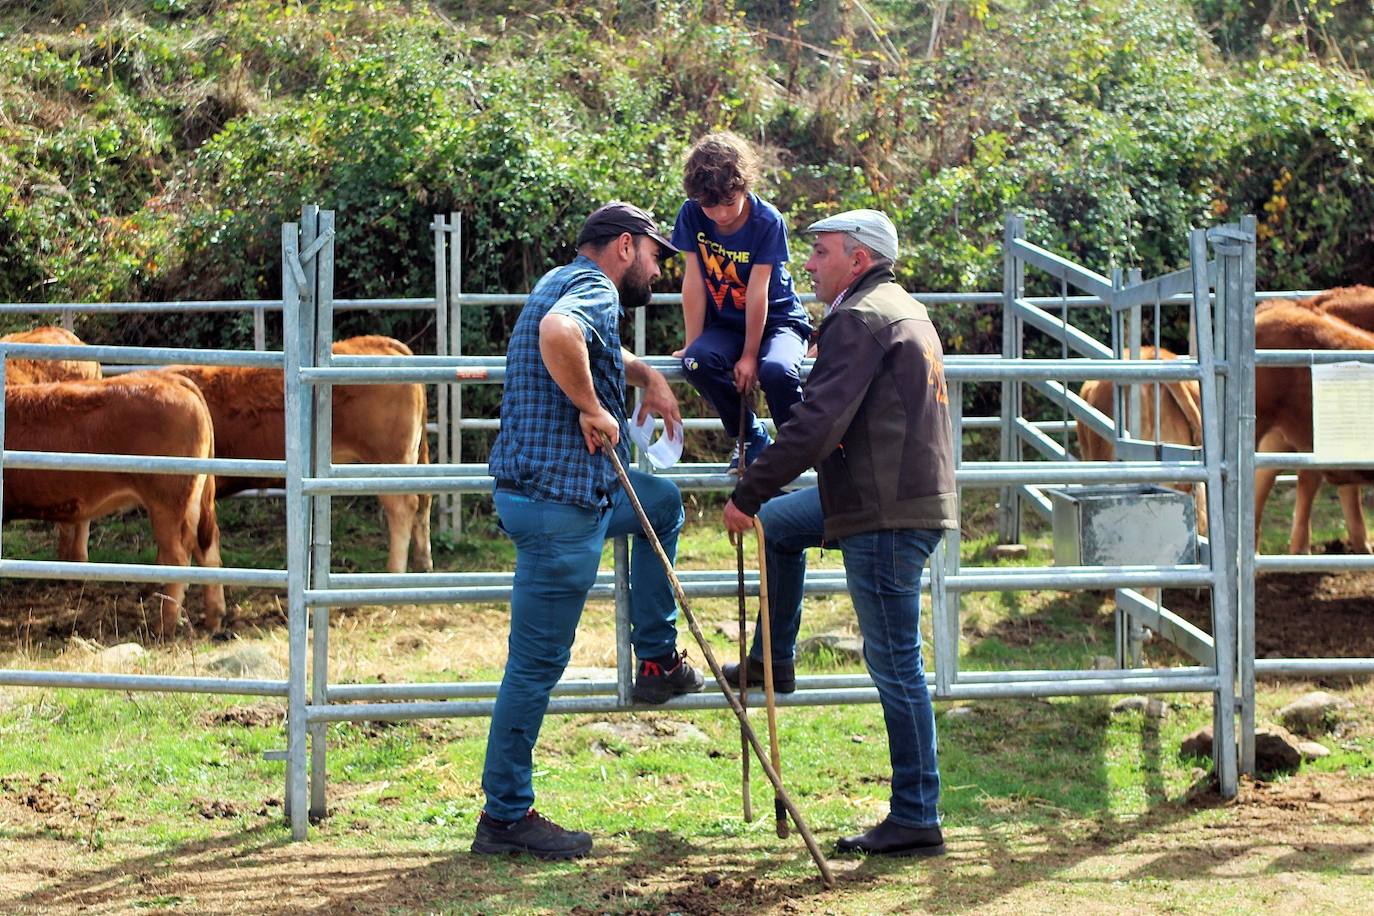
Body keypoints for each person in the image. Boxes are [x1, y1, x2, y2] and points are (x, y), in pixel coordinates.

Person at [472, 202, 705, 861]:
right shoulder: (596, 289)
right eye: (655, 255)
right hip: (559, 505)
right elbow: (557, 334)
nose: (657, 269)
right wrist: (594, 407)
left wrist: (648, 374)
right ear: (624, 247)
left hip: (574, 495)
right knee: (537, 663)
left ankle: (656, 658)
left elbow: (589, 338)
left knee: (660, 502)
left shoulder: (564, 276)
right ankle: (505, 816)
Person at [722, 208, 958, 857]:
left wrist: (749, 490)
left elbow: (820, 423)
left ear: (857, 258)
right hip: (894, 495)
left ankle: (916, 814)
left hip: (885, 509)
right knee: (778, 528)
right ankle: (776, 658)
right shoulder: (898, 307)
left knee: (895, 664)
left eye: (822, 252)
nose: (811, 264)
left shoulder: (860, 317)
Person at [671, 131, 813, 472]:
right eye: (709, 204)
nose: (719, 214)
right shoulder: (691, 214)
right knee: (696, 362)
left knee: (775, 371)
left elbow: (758, 291)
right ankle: (751, 436)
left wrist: (750, 355)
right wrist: (692, 343)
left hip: (778, 320)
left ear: (744, 187)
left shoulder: (767, 220)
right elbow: (693, 281)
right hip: (727, 323)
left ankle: (798, 447)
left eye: (727, 202)